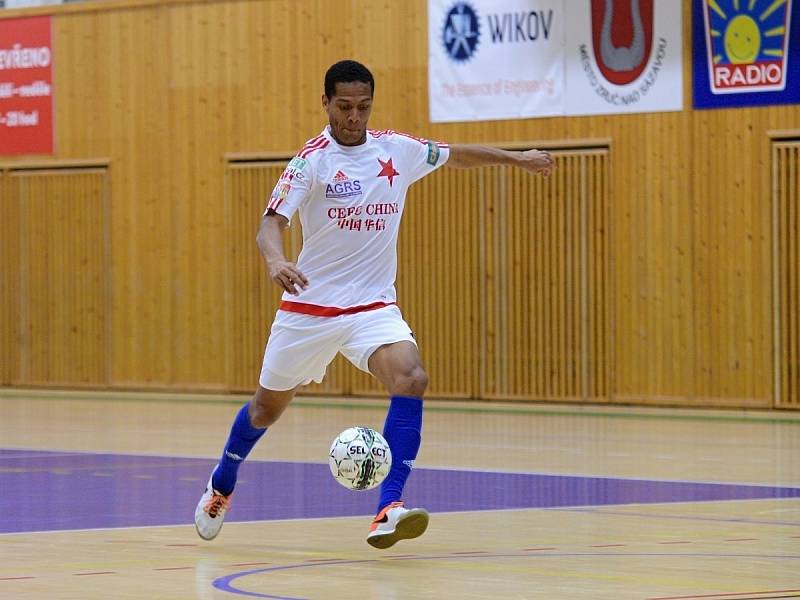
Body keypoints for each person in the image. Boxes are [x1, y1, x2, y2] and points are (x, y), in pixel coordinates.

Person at [194, 59, 554, 549]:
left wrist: (518, 159)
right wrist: (276, 261)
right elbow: (270, 224)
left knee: (412, 377)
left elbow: (458, 155)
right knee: (265, 410)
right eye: (344, 106)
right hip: (310, 308)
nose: (354, 116)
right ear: (325, 103)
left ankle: (389, 507)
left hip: (372, 307)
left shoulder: (395, 150)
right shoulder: (310, 161)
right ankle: (222, 483)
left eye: (363, 107)